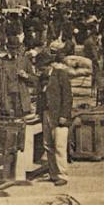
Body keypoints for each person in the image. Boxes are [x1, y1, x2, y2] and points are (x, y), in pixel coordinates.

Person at [37, 53, 72, 186]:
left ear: (50, 65)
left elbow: (67, 97)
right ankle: (53, 174)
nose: (40, 70)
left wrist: (64, 115)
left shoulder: (61, 75)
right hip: (46, 114)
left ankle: (62, 175)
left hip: (59, 115)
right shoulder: (42, 77)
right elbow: (41, 95)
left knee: (59, 145)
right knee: (48, 145)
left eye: (42, 68)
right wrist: (39, 113)